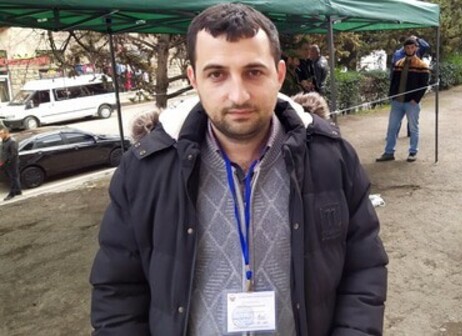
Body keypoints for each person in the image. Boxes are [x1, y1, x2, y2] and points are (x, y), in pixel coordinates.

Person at [90, 3, 388, 336]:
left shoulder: (331, 158)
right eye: (216, 74)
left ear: (279, 74)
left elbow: (364, 267)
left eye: (253, 72)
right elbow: (117, 291)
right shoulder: (146, 171)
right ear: (193, 78)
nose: (238, 94)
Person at [376, 37, 430, 162]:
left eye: (412, 47)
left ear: (416, 48)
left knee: (413, 128)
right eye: (407, 47)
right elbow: (393, 81)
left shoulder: (422, 65)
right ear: (404, 49)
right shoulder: (398, 63)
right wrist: (392, 96)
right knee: (392, 127)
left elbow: (424, 85)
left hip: (411, 103)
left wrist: (416, 99)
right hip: (397, 102)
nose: (410, 49)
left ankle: (412, 152)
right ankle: (389, 152)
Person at [0, 125, 21, 201]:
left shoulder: (12, 142)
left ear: (6, 133)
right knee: (14, 177)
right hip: (5, 163)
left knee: (13, 178)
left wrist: (8, 162)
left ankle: (11, 194)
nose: (0, 136)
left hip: (12, 164)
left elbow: (14, 154)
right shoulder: (4, 141)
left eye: (1, 134)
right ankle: (18, 191)